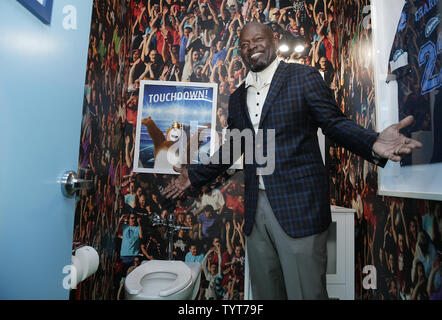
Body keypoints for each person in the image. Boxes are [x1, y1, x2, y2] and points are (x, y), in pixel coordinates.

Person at [161, 21, 422, 300]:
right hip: (255, 213)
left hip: (300, 208)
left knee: (306, 293)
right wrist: (194, 175)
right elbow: (235, 146)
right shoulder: (237, 98)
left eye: (258, 40)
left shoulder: (303, 77)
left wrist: (372, 141)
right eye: (245, 45)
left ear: (274, 39)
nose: (252, 48)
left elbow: (333, 123)